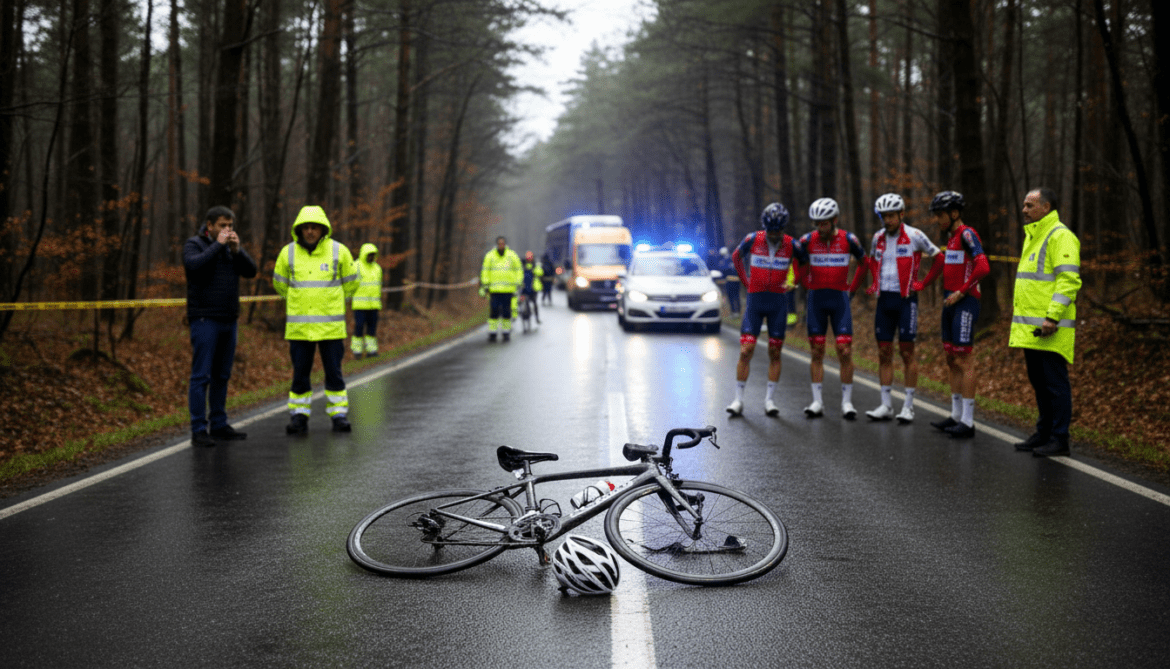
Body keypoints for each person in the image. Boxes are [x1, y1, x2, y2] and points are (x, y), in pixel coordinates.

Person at [273, 205, 360, 434]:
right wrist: (298, 299)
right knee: (300, 374)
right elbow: (280, 285)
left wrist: (336, 299)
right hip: (300, 328)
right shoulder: (288, 253)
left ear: (323, 229)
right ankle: (299, 416)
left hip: (330, 327)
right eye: (306, 227)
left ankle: (339, 414)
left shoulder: (339, 251)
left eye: (315, 227)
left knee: (334, 373)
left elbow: (352, 282)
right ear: (299, 229)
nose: (310, 231)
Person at [1009, 187, 1081, 457]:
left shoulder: (1060, 236)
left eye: (1030, 205)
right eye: (1024, 205)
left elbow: (1068, 280)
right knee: (1039, 382)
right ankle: (1044, 433)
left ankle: (1059, 438)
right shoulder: (1034, 236)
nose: (1024, 210)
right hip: (1032, 328)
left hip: (1051, 327)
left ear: (1046, 207)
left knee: (1054, 383)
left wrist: (1052, 316)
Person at [911, 191, 990, 439]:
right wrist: (923, 284)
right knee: (950, 357)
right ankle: (956, 415)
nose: (937, 219)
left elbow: (983, 266)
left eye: (941, 215)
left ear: (954, 213)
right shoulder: (952, 238)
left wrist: (962, 292)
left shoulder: (967, 234)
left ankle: (968, 421)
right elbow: (946, 264)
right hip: (950, 302)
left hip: (965, 302)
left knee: (964, 358)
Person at [183, 206, 258, 447]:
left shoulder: (230, 250)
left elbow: (251, 272)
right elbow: (194, 266)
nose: (227, 230)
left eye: (230, 226)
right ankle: (198, 429)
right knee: (201, 376)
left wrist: (238, 251)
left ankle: (219, 423)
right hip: (205, 319)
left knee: (222, 375)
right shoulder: (195, 244)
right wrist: (218, 245)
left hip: (229, 319)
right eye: (223, 225)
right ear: (210, 225)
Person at [863, 193, 941, 424]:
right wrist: (875, 283)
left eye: (891, 216)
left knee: (907, 352)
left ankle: (908, 406)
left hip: (906, 300)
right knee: (883, 352)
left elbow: (939, 258)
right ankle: (886, 405)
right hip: (884, 301)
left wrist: (923, 283)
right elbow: (871, 261)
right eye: (883, 216)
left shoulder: (915, 235)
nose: (887, 220)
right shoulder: (877, 237)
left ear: (901, 214)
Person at [793, 197, 868, 419]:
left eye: (824, 222)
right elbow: (796, 261)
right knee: (817, 351)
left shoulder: (849, 239)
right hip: (816, 299)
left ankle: (847, 402)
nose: (820, 227)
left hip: (839, 300)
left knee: (844, 350)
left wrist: (853, 290)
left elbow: (865, 263)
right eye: (816, 223)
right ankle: (817, 402)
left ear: (834, 220)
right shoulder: (806, 240)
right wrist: (804, 282)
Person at [725, 203, 798, 418]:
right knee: (746, 350)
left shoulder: (791, 244)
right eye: (771, 231)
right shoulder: (752, 239)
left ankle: (769, 400)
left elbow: (804, 262)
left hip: (778, 304)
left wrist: (796, 281)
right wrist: (745, 282)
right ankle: (738, 399)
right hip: (755, 302)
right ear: (765, 227)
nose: (774, 235)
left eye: (778, 231)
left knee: (775, 352)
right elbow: (736, 257)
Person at [480, 236, 523, 342]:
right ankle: (492, 333)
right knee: (493, 311)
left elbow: (518, 270)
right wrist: (485, 285)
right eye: (499, 243)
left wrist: (518, 282)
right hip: (494, 290)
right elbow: (485, 271)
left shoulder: (512, 256)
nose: (501, 245)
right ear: (497, 244)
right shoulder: (490, 256)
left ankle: (506, 332)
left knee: (506, 312)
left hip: (508, 290)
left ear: (505, 244)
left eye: (502, 243)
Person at [350, 243, 382, 359]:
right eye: (369, 255)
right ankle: (357, 351)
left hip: (374, 305)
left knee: (372, 329)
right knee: (359, 327)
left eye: (373, 255)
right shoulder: (356, 266)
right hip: (360, 305)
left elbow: (378, 287)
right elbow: (350, 284)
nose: (371, 257)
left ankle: (371, 350)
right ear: (364, 254)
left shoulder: (377, 268)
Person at [520, 250, 543, 324]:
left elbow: (540, 272)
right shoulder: (522, 265)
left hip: (533, 288)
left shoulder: (535, 265)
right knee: (523, 303)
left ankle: (537, 318)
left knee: (534, 303)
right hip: (524, 287)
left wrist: (535, 271)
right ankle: (525, 314)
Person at [717, 247, 741, 315]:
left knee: (731, 297)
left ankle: (734, 312)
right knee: (736, 296)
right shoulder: (734, 259)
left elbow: (722, 269)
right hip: (736, 281)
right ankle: (737, 311)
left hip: (730, 281)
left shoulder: (723, 261)